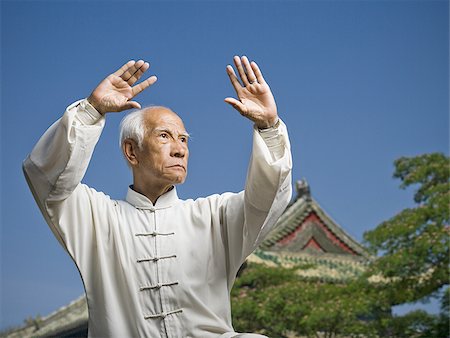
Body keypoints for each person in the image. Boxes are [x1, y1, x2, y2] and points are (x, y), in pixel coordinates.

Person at [23, 56, 292, 338]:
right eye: (165, 136)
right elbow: (45, 176)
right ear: (132, 152)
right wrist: (91, 111)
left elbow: (268, 199)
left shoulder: (216, 216)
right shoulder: (96, 217)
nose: (180, 149)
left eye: (184, 139)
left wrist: (269, 128)